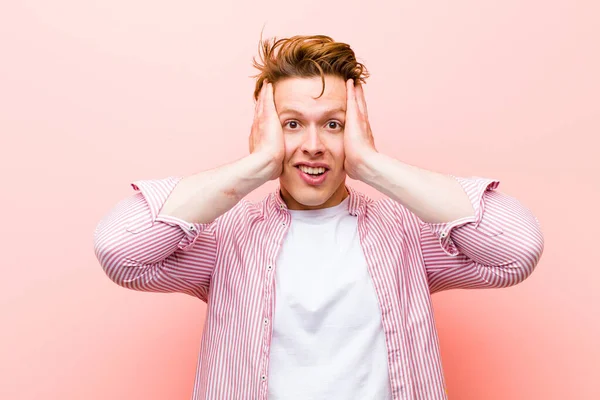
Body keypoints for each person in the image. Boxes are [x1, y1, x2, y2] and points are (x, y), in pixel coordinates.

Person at [93, 34, 544, 400]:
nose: (313, 144)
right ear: (263, 131)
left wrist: (369, 164)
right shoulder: (226, 238)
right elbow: (121, 252)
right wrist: (256, 165)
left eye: (333, 123)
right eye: (292, 124)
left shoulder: (408, 233)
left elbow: (516, 251)